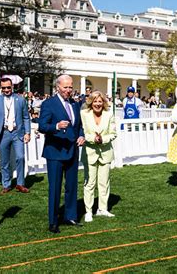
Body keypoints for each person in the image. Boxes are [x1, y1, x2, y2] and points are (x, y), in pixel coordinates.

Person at [38, 74, 85, 234]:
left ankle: (70, 216)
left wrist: (81, 135)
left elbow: (78, 125)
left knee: (71, 186)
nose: (68, 90)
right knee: (55, 188)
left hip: (72, 150)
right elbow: (42, 126)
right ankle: (53, 221)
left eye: (71, 87)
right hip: (55, 152)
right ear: (57, 87)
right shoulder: (48, 104)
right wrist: (56, 126)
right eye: (65, 87)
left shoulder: (75, 104)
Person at [0, 77, 31, 195]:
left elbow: (26, 117)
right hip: (3, 133)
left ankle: (20, 184)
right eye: (4, 87)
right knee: (4, 161)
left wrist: (27, 132)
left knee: (20, 157)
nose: (6, 90)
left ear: (12, 87)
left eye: (8, 87)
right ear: (1, 88)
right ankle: (6, 184)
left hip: (17, 132)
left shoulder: (20, 100)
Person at [81, 91, 117, 223]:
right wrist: (93, 139)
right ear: (91, 102)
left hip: (105, 153)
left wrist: (103, 139)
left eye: (100, 101)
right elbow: (83, 132)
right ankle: (88, 211)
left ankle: (103, 209)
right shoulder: (84, 114)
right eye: (95, 101)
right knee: (89, 183)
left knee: (104, 183)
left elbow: (113, 133)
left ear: (104, 103)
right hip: (89, 153)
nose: (97, 104)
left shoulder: (109, 114)